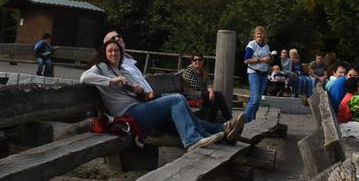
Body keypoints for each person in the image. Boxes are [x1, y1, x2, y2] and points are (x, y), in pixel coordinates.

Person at [81, 37, 244, 151]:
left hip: (141, 109)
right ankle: (193, 140)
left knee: (178, 119)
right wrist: (112, 81)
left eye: (116, 51)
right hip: (128, 114)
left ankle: (222, 131)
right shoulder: (101, 67)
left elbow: (139, 91)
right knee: (177, 100)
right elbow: (84, 77)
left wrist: (139, 90)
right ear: (104, 52)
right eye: (110, 51)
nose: (113, 54)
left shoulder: (123, 69)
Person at [181, 53, 233, 122]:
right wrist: (210, 92)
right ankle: (228, 119)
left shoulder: (201, 70)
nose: (197, 61)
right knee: (216, 96)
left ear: (202, 61)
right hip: (190, 94)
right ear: (192, 61)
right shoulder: (189, 71)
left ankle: (214, 121)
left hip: (200, 93)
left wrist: (211, 91)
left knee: (216, 98)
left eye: (199, 60)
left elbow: (208, 82)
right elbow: (196, 86)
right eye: (195, 60)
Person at [243, 26, 271, 123]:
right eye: (257, 34)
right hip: (254, 72)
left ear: (264, 35)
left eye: (261, 34)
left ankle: (252, 119)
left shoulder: (266, 46)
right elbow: (246, 60)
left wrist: (270, 58)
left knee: (258, 99)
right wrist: (261, 60)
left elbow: (269, 59)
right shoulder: (252, 44)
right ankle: (245, 119)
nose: (259, 35)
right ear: (255, 34)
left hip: (264, 74)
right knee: (254, 98)